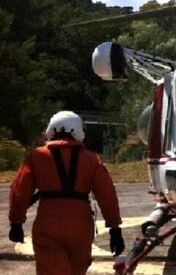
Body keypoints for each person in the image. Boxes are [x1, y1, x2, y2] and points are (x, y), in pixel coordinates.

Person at [8, 111, 124, 275]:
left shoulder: (37, 156)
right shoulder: (92, 160)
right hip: (81, 228)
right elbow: (107, 196)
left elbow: (19, 191)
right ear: (78, 132)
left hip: (48, 226)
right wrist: (115, 229)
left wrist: (16, 222)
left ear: (51, 130)